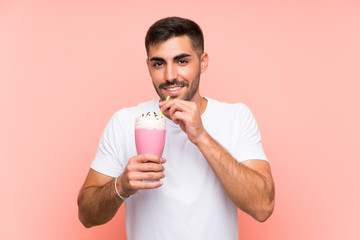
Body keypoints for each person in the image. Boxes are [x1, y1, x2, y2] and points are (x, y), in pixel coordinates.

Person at [77, 16, 275, 240]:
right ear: (149, 66)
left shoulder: (236, 117)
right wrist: (120, 186)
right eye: (159, 63)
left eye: (182, 61)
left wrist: (201, 137)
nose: (170, 76)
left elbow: (263, 207)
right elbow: (86, 215)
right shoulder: (124, 121)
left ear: (203, 62)